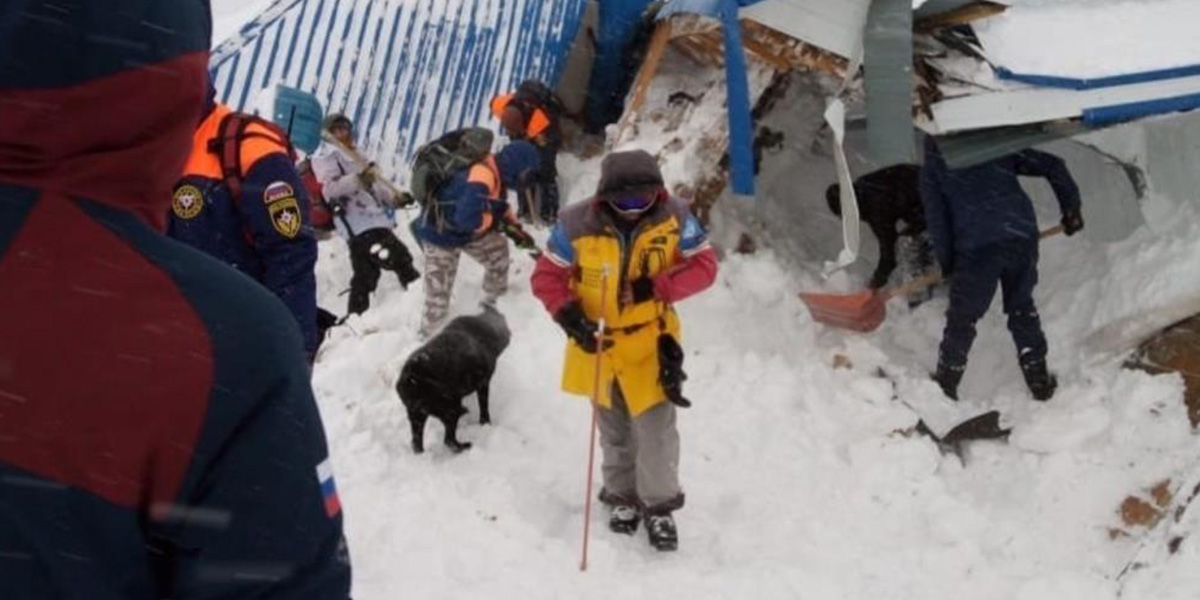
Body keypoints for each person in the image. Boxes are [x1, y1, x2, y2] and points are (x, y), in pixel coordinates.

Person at [0, 1, 352, 598]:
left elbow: (290, 254)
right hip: (167, 343)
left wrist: (289, 348)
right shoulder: (230, 352)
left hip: (189, 337)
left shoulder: (248, 146)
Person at [530, 150, 718, 551]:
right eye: (623, 202)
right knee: (614, 428)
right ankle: (621, 497)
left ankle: (659, 505)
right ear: (604, 197)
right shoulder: (575, 225)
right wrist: (568, 316)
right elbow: (547, 276)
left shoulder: (677, 218)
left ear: (658, 194)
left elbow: (705, 267)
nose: (633, 209)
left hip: (651, 340)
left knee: (655, 432)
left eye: (642, 200)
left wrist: (657, 286)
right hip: (596, 342)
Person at [920, 138, 1085, 401]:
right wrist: (1071, 208)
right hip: (1020, 234)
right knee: (1022, 307)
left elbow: (938, 221)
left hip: (977, 248)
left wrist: (949, 263)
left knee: (963, 317)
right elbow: (1054, 165)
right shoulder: (992, 146)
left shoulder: (934, 166)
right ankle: (1039, 381)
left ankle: (946, 384)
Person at [167, 83, 320, 359]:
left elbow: (291, 255)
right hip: (170, 354)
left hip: (241, 352)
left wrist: (289, 355)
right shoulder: (135, 157)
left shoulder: (248, 145)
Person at [414, 140, 540, 338]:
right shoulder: (483, 175)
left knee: (498, 252)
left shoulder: (495, 172)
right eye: (525, 173)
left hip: (463, 231)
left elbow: (495, 205)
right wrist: (495, 223)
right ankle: (427, 338)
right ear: (517, 166)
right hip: (439, 233)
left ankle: (492, 305)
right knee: (438, 296)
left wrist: (514, 228)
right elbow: (466, 219)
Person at [312, 113, 420, 316]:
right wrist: (358, 179)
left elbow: (377, 190)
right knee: (400, 258)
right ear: (328, 135)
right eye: (336, 130)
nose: (342, 133)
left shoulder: (359, 156)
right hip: (357, 223)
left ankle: (354, 319)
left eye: (344, 128)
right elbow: (330, 190)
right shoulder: (328, 159)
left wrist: (396, 200)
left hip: (374, 221)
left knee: (365, 276)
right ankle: (421, 299)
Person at [826, 164, 933, 294]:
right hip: (927, 187)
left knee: (909, 245)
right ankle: (926, 278)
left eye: (845, 216)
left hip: (933, 198)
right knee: (912, 238)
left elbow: (889, 253)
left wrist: (874, 284)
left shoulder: (875, 207)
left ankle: (920, 293)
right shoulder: (863, 188)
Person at [490, 80, 564, 223]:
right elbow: (492, 101)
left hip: (544, 131)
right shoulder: (500, 106)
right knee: (521, 169)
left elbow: (548, 147)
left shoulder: (541, 122)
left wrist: (539, 163)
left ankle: (549, 213)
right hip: (524, 125)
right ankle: (525, 211)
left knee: (545, 171)